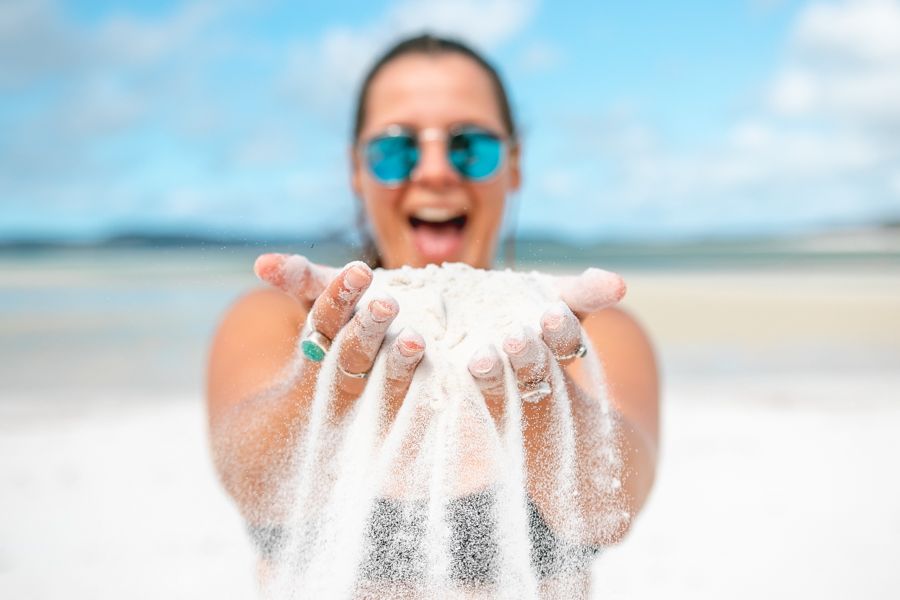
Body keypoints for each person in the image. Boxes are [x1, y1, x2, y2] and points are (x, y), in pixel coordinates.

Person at [206, 34, 659, 593]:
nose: (437, 171)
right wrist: (327, 391)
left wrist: (542, 403)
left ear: (514, 166)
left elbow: (611, 511)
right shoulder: (278, 323)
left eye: (470, 145)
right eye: (397, 149)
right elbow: (255, 484)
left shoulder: (591, 333)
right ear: (356, 170)